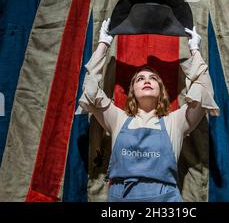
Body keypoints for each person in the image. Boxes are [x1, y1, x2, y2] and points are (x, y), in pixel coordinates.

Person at [79, 19, 220, 202]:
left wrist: (195, 50)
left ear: (161, 90)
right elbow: (90, 91)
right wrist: (103, 45)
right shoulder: (117, 119)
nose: (146, 80)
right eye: (140, 79)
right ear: (132, 91)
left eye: (153, 78)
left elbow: (203, 93)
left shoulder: (175, 122)